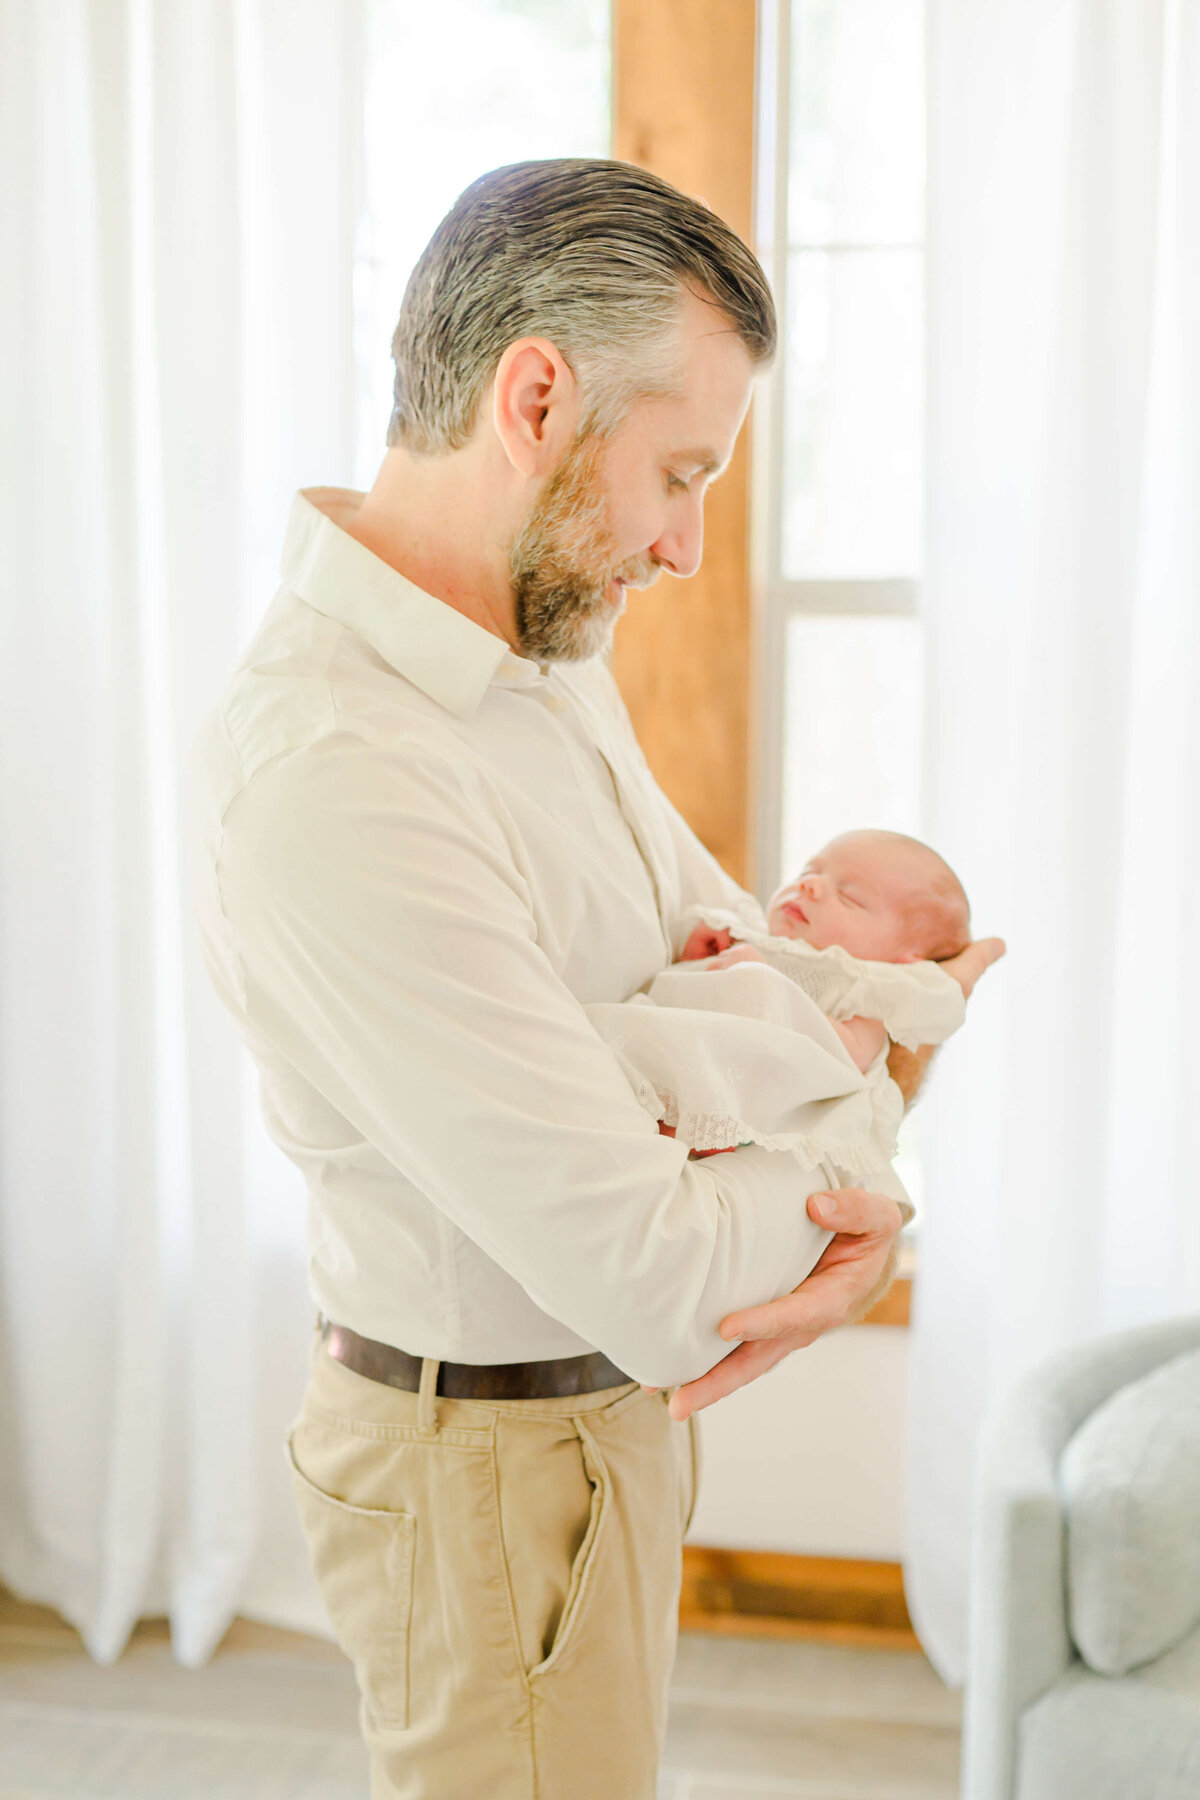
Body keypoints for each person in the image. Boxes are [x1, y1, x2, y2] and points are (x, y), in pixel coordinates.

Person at [190, 159, 1000, 1800]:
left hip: (601, 1432)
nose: (689, 548)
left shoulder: (541, 659)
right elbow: (664, 1273)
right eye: (680, 473)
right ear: (539, 397)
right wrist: (857, 1170)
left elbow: (750, 965)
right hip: (489, 1466)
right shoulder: (340, 767)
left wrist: (844, 1127)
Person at [586, 828, 1004, 1224]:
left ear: (902, 962)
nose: (811, 886)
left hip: (745, 1101)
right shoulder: (765, 938)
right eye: (811, 871)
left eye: (850, 897)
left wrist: (765, 982)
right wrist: (706, 945)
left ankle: (694, 1133)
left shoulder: (861, 991)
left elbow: (846, 1056)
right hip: (656, 1047)